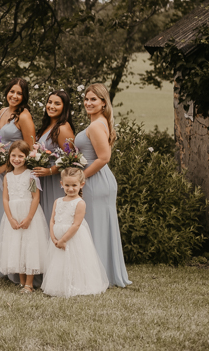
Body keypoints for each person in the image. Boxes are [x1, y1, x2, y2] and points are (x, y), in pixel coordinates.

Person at [75, 83, 131, 287]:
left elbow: (104, 157)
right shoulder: (99, 122)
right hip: (97, 179)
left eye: (93, 100)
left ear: (103, 103)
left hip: (95, 180)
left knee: (94, 227)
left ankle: (98, 275)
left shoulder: (96, 125)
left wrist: (80, 178)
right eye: (86, 99)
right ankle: (103, 273)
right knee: (97, 226)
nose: (88, 103)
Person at [0, 77, 35, 280]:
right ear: (6, 92)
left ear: (24, 97)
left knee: (16, 217)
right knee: (3, 217)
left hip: (15, 173)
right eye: (12, 91)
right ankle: (7, 267)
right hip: (3, 174)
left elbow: (30, 149)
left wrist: (4, 167)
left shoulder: (24, 116)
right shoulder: (2, 112)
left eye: (19, 93)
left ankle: (22, 271)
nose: (14, 96)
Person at [41, 167, 109, 298]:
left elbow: (76, 224)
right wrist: (54, 238)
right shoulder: (58, 201)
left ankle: (76, 285)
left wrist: (63, 240)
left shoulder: (80, 203)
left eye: (74, 185)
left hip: (72, 238)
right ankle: (59, 285)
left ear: (81, 185)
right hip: (57, 238)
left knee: (74, 261)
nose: (70, 188)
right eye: (67, 185)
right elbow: (52, 221)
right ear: (62, 184)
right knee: (59, 261)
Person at [0, 140, 50, 293]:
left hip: (29, 213)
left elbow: (35, 198)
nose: (17, 159)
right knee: (17, 245)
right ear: (9, 156)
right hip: (13, 214)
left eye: (21, 156)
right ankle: (21, 281)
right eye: (13, 155)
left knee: (30, 245)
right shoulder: (7, 177)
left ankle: (29, 284)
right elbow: (5, 198)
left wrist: (29, 218)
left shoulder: (31, 175)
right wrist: (10, 218)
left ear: (27, 157)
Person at [32, 90, 76, 218]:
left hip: (55, 179)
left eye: (57, 103)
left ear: (64, 107)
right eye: (49, 102)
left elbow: (70, 159)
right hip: (43, 179)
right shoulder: (47, 125)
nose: (51, 106)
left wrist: (50, 171)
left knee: (54, 216)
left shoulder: (63, 127)